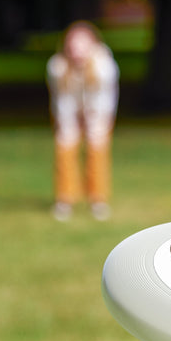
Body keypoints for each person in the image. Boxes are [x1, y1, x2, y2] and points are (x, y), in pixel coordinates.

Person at [46, 20, 119, 221]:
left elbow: (104, 99)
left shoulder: (104, 66)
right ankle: (65, 199)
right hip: (68, 111)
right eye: (73, 45)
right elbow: (61, 99)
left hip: (98, 111)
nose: (77, 50)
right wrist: (69, 124)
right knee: (65, 147)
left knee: (97, 149)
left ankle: (98, 199)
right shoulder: (57, 67)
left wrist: (94, 120)